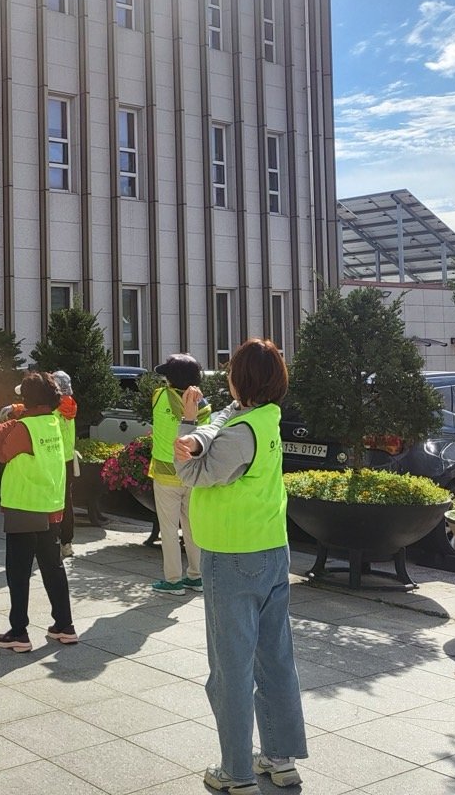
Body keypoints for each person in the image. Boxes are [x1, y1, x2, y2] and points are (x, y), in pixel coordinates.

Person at [172, 338, 305, 794]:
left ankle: (236, 772)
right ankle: (280, 759)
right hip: (272, 548)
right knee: (275, 660)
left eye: (231, 371)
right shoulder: (265, 417)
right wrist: (203, 428)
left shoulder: (238, 432)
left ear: (239, 379)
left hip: (232, 556)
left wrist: (188, 425)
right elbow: (227, 419)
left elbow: (190, 473)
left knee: (230, 669)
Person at [0, 371, 76, 652]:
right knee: (53, 567)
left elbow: (5, 448)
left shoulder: (25, 427)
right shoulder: (53, 422)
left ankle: (19, 632)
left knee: (18, 573)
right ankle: (64, 625)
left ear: (29, 399)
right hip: (50, 505)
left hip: (24, 506)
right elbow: (9, 433)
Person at [149, 354, 210, 595]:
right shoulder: (203, 406)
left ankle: (173, 580)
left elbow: (166, 393)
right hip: (193, 474)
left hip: (165, 473)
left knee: (169, 530)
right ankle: (196, 576)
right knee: (193, 528)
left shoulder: (159, 396)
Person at [50, 371, 78, 558]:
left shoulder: (54, 409)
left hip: (53, 459)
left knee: (52, 501)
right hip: (67, 459)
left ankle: (52, 540)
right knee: (67, 501)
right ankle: (67, 543)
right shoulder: (70, 405)